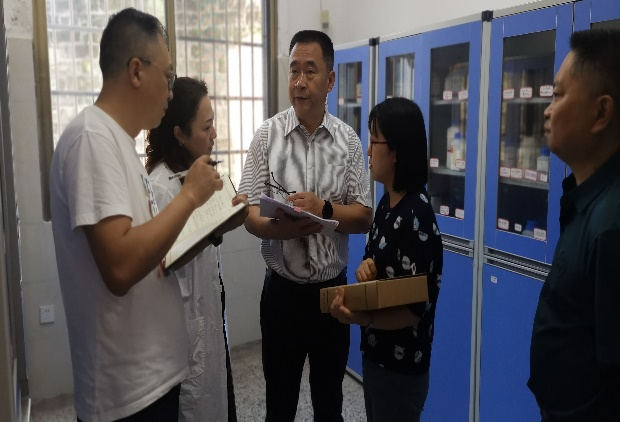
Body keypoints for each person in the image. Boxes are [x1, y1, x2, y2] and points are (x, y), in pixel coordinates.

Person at [50, 9, 224, 422]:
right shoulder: (92, 139)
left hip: (149, 383)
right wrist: (190, 196)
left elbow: (145, 249)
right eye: (167, 77)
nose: (170, 93)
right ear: (135, 71)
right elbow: (121, 266)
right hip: (126, 397)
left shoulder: (117, 143)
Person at [238, 29, 373, 421]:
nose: (299, 81)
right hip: (281, 294)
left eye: (310, 71)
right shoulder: (267, 136)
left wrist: (324, 208)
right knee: (279, 403)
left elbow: (363, 216)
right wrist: (277, 229)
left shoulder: (348, 141)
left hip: (332, 296)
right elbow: (247, 210)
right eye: (294, 70)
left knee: (329, 403)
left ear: (330, 80)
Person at [329, 97, 443, 422]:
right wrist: (367, 267)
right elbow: (374, 262)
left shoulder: (417, 214)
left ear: (395, 151)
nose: (368, 151)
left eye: (374, 141)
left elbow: (412, 310)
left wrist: (360, 318)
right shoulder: (386, 203)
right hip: (377, 356)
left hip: (401, 368)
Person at [528, 28, 620, 421]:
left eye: (559, 95)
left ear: (601, 113)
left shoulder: (612, 223)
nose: (547, 110)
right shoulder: (588, 199)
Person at [145, 76, 249, 422]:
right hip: (181, 335)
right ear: (179, 133)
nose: (214, 134)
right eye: (206, 127)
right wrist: (218, 229)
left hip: (207, 322)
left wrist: (225, 215)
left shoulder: (195, 173)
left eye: (213, 123)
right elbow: (165, 261)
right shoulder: (160, 188)